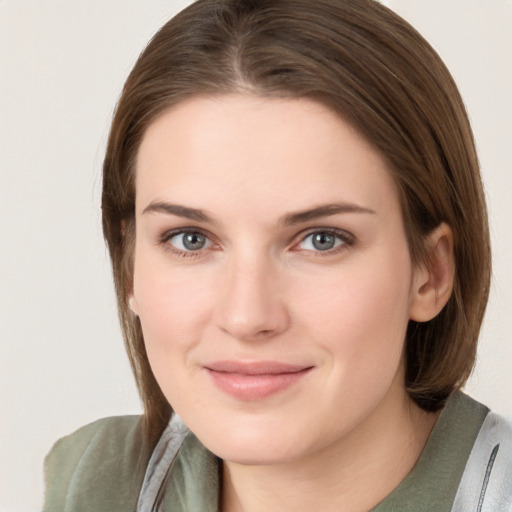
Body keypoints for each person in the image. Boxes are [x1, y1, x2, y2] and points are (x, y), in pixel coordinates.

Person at [43, 0, 512, 510]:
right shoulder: (91, 481)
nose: (247, 317)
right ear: (131, 264)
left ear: (431, 273)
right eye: (190, 239)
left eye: (321, 239)